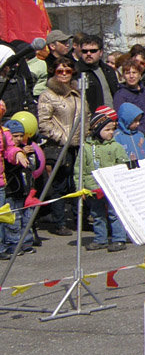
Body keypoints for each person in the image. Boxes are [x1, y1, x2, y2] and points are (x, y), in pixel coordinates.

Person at [37, 56, 83, 235]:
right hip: (59, 145)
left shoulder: (77, 92)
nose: (64, 74)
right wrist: (63, 138)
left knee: (75, 183)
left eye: (68, 71)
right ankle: (59, 222)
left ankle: (78, 218)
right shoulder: (48, 95)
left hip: (77, 144)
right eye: (60, 71)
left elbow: (83, 116)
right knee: (59, 185)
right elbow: (44, 123)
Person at [76, 106, 130, 252]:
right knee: (97, 214)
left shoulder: (116, 147)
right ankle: (101, 238)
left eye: (112, 129)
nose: (111, 132)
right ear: (96, 130)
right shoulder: (86, 148)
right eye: (107, 129)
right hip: (92, 187)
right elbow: (78, 169)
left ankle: (119, 238)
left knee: (114, 213)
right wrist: (79, 188)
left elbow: (123, 165)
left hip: (112, 187)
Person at [1, 117, 42, 259]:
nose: (18, 139)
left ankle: (26, 241)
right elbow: (9, 167)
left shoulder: (28, 147)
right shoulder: (9, 152)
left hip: (27, 190)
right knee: (14, 219)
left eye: (21, 135)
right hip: (13, 191)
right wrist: (20, 153)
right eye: (15, 136)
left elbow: (35, 166)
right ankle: (13, 244)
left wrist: (30, 154)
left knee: (27, 218)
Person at [114, 58, 145, 151]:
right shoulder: (120, 95)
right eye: (128, 73)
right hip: (135, 140)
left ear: (140, 74)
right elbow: (123, 121)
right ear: (123, 76)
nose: (131, 76)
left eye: (134, 72)